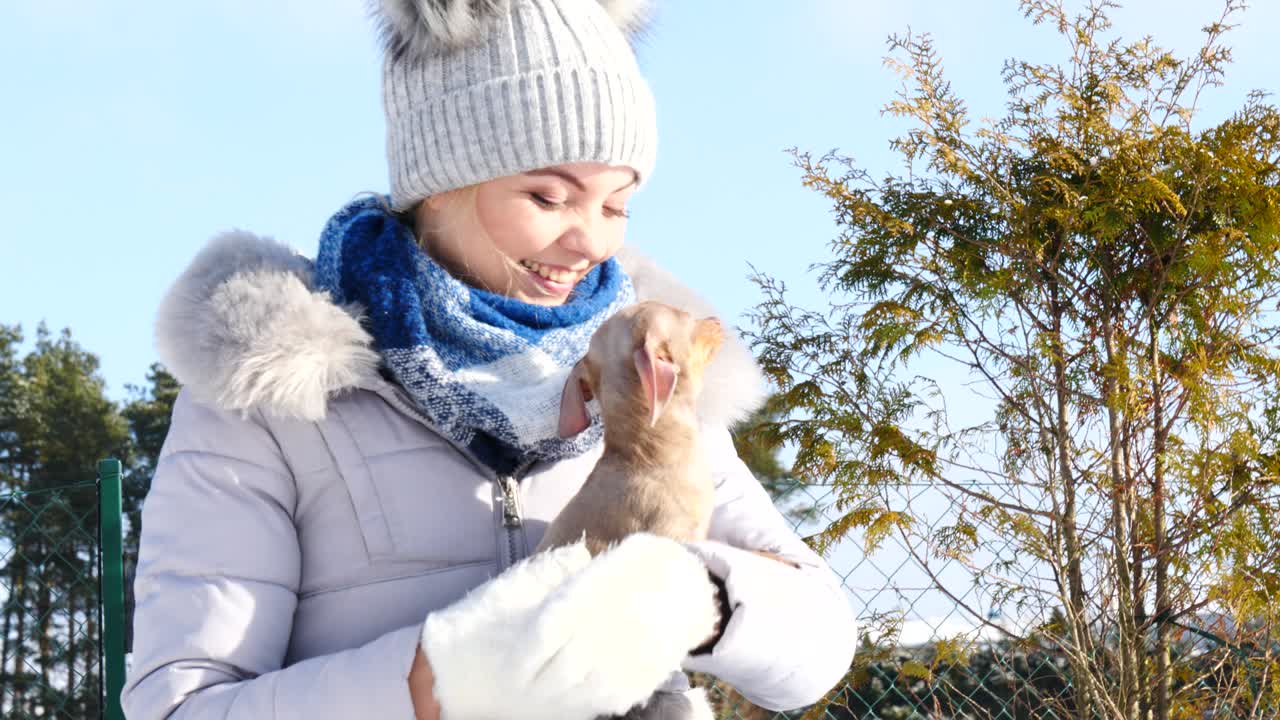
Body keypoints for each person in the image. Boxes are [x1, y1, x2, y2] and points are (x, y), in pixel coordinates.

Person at [121, 1, 859, 718]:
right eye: (548, 197)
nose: (591, 241)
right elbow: (181, 705)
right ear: (440, 182)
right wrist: (447, 680)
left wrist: (691, 597)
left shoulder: (646, 374)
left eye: (615, 205)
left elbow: (818, 647)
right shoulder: (268, 395)